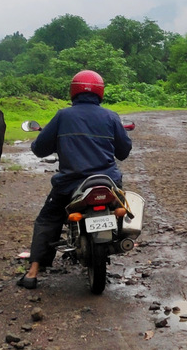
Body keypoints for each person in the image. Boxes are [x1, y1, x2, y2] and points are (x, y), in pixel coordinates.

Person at [17, 70, 133, 289]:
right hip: (107, 182)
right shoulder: (111, 117)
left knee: (48, 219)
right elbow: (124, 152)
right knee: (122, 207)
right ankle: (121, 235)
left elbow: (39, 149)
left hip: (71, 184)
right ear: (100, 92)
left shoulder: (63, 116)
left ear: (73, 91)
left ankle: (32, 273)